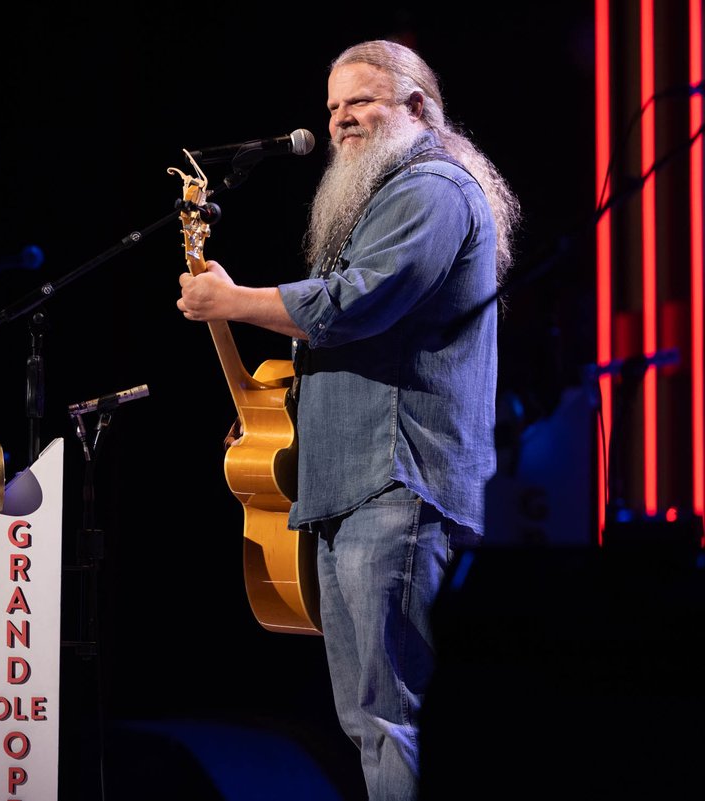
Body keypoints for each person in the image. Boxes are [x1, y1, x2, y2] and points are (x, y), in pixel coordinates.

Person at [175, 39, 520, 801]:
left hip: (398, 484)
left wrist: (233, 301)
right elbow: (361, 350)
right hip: (351, 487)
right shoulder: (387, 196)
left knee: (394, 714)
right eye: (331, 106)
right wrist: (277, 414)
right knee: (369, 717)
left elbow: (350, 306)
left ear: (416, 107)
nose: (338, 121)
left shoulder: (432, 189)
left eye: (358, 101)